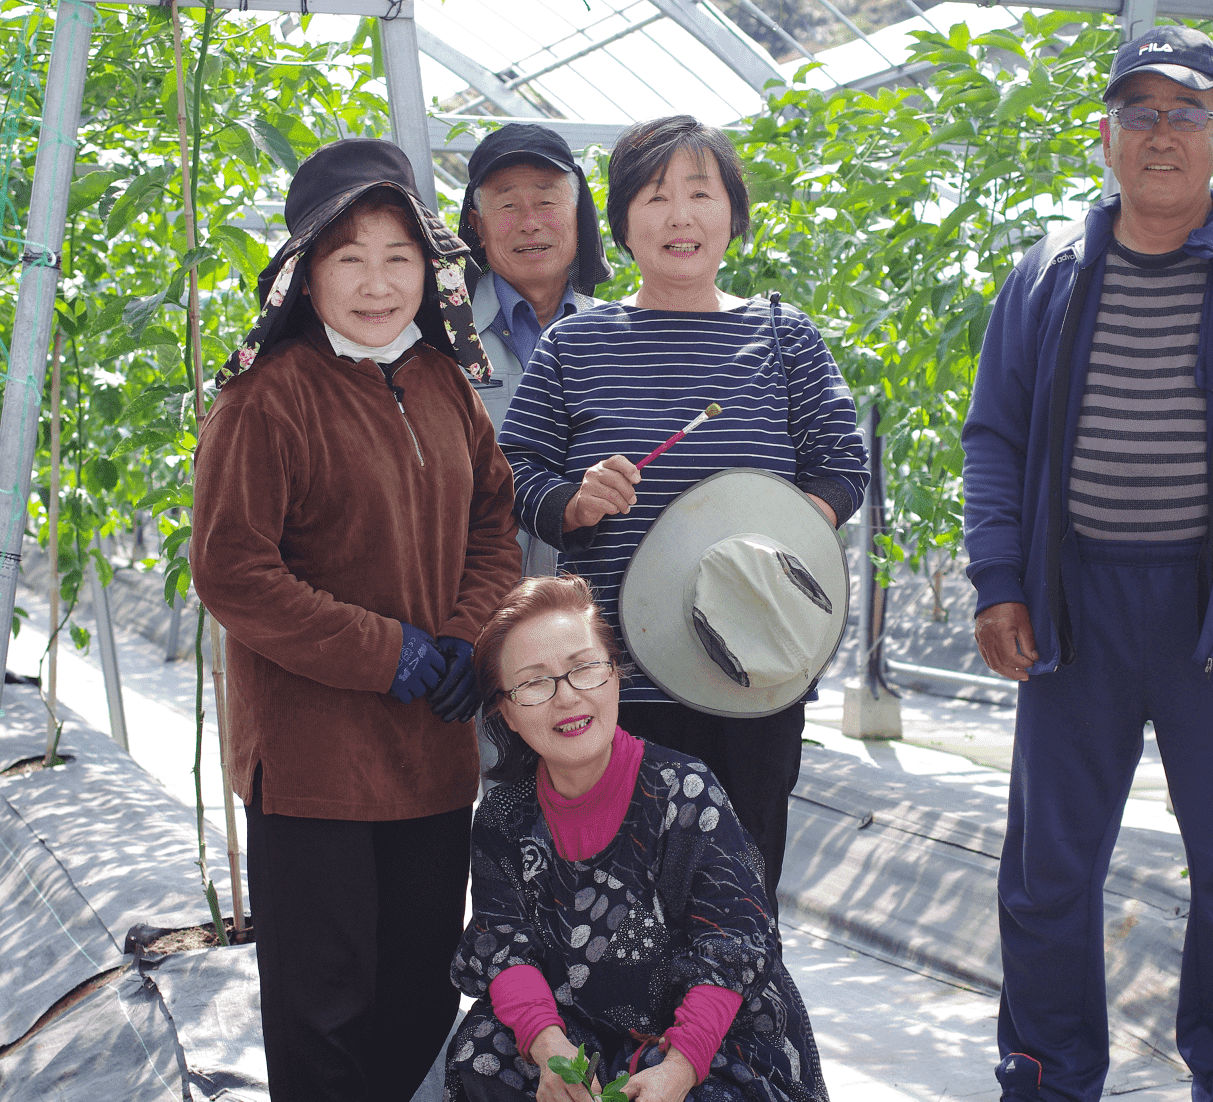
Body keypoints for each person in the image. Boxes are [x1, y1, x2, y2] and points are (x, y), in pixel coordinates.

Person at [960, 26, 1213, 1102]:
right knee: (1048, 876)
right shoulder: (1047, 274)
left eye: (1186, 113)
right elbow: (993, 436)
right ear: (1106, 137)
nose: (1161, 134)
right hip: (1074, 609)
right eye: (1139, 113)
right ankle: (1046, 1078)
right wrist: (998, 579)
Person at [190, 138, 521, 1102]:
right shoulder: (269, 395)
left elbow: (492, 521)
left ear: (431, 269)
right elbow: (234, 571)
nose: (378, 284)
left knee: (419, 995)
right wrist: (389, 652)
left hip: (430, 754)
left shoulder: (444, 383)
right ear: (305, 271)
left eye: (399, 257)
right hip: (314, 767)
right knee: (323, 1009)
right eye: (349, 258)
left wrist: (465, 634)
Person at [498, 116, 869, 914]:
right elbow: (511, 473)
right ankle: (624, 1041)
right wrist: (571, 500)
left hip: (754, 672)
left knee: (737, 890)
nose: (680, 217)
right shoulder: (577, 342)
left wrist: (776, 542)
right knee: (617, 899)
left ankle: (730, 1038)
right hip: (613, 684)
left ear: (733, 215)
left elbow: (843, 467)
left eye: (701, 194)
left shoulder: (783, 336)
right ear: (622, 222)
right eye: (656, 196)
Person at [443, 574, 829, 1102]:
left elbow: (734, 944)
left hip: (701, 1033)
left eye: (584, 668)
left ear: (616, 676)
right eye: (534, 683)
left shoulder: (686, 792)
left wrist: (681, 1067)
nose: (567, 697)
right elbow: (506, 950)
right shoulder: (502, 818)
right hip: (576, 1030)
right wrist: (548, 1046)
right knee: (483, 1055)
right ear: (505, 712)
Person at [459, 123, 612, 578]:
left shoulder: (623, 337)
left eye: (547, 201)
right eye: (507, 205)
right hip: (477, 611)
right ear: (476, 226)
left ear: (578, 212)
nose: (529, 222)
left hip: (604, 615)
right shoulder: (441, 343)